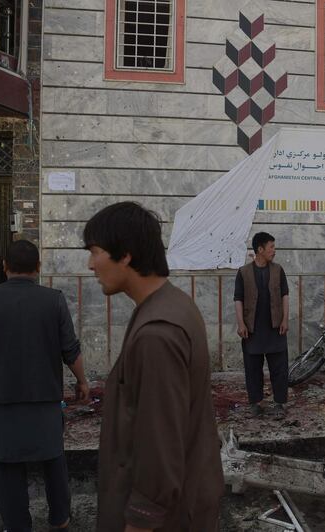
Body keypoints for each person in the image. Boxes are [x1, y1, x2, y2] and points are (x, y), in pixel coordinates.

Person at [84, 202, 223, 532]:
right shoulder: (173, 303)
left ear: (126, 254)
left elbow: (159, 444)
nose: (90, 265)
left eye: (95, 252)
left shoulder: (157, 334)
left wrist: (141, 521)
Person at [0, 239, 87, 532]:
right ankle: (60, 519)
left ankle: (17, 525)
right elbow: (71, 350)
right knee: (53, 462)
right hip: (45, 402)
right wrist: (83, 381)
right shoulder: (54, 300)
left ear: (4, 267)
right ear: (38, 267)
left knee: (6, 468)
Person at [234, 231, 290, 419]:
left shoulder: (278, 270)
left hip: (275, 329)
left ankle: (280, 403)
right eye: (271, 247)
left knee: (279, 369)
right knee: (253, 369)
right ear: (260, 249)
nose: (274, 250)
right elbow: (238, 299)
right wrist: (241, 323)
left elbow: (285, 295)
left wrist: (285, 319)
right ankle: (256, 403)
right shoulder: (243, 272)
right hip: (253, 330)